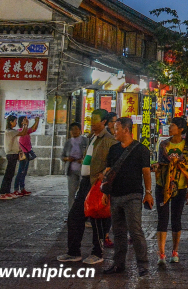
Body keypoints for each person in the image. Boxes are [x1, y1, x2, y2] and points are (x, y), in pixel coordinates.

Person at [59, 110, 115, 265]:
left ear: (103, 122)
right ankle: (73, 251)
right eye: (91, 119)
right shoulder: (91, 138)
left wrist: (104, 174)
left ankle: (98, 252)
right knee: (75, 217)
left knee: (97, 219)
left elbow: (113, 164)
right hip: (85, 182)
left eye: (95, 120)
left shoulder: (109, 140)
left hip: (96, 184)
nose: (92, 123)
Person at [103, 118, 153, 276]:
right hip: (116, 195)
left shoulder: (141, 150)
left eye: (116, 128)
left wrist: (148, 193)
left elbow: (146, 172)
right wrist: (105, 192)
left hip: (133, 195)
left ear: (126, 129)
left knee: (135, 231)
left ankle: (142, 265)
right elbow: (109, 172)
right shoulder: (113, 149)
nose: (114, 131)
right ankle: (118, 264)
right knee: (118, 232)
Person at [154, 116, 188, 266]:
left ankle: (175, 251)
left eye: (172, 126)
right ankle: (161, 253)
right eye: (170, 125)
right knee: (162, 218)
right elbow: (160, 163)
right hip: (162, 186)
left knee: (176, 219)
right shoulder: (163, 144)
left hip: (181, 187)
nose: (170, 128)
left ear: (181, 129)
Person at [61, 122, 89, 216]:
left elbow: (89, 154)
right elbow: (62, 156)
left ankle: (84, 213)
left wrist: (83, 160)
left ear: (80, 130)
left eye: (76, 129)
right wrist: (68, 159)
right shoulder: (68, 143)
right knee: (71, 193)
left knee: (83, 192)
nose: (74, 131)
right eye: (72, 129)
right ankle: (71, 214)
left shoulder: (85, 141)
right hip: (71, 170)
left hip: (83, 171)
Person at [14, 115, 40, 196]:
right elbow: (29, 130)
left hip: (27, 153)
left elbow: (33, 128)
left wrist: (37, 121)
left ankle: (22, 188)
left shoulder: (26, 131)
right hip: (23, 154)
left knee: (24, 172)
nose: (27, 121)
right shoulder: (20, 131)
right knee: (20, 171)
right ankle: (16, 189)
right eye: (25, 120)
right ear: (22, 122)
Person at [0, 116, 23, 200]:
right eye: (15, 121)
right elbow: (23, 133)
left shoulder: (11, 131)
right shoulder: (10, 131)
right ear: (10, 122)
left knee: (11, 174)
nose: (16, 123)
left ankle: (7, 192)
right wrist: (25, 125)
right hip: (11, 154)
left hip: (13, 153)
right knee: (8, 174)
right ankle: (3, 193)